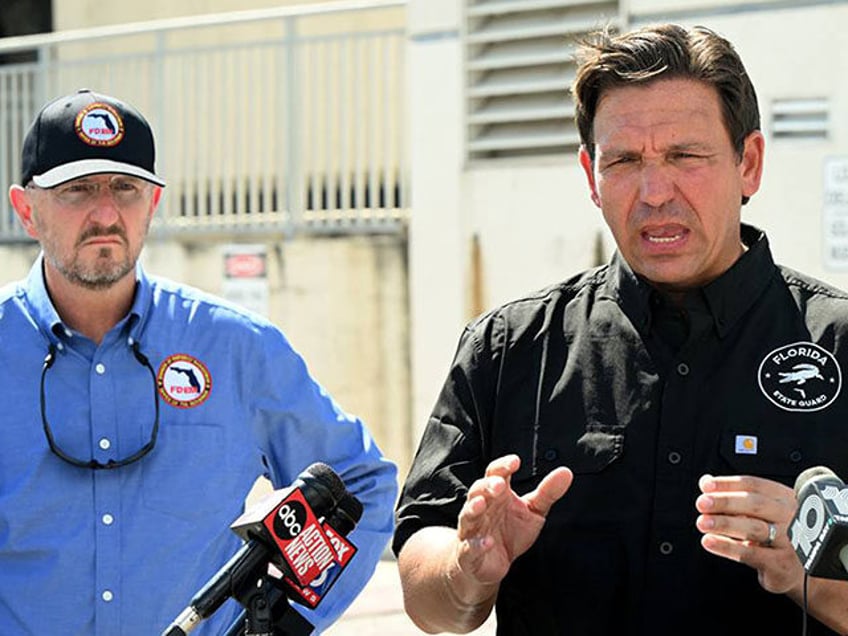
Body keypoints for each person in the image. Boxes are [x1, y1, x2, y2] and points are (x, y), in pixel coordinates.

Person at [393, 23, 848, 635]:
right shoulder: (509, 348)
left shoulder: (838, 342)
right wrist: (467, 570)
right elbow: (428, 589)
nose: (655, 192)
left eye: (685, 156)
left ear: (750, 164)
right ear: (590, 175)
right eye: (625, 161)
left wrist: (812, 573)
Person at [0, 88, 398, 635]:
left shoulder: (235, 348)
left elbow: (362, 486)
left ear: (153, 204)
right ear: (26, 210)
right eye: (77, 190)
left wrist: (286, 624)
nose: (106, 212)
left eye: (126, 188)